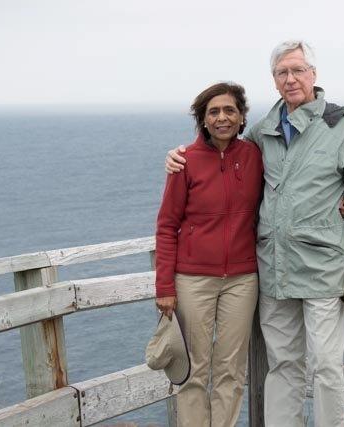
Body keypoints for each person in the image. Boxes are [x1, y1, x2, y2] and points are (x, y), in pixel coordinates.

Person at [165, 40, 344, 426]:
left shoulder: (342, 128)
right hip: (273, 270)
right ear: (274, 80)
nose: (291, 79)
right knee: (282, 365)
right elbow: (224, 155)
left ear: (314, 75)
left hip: (321, 269)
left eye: (298, 70)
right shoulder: (261, 132)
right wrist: (179, 155)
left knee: (325, 366)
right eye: (282, 72)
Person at [154, 82, 263, 427]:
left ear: (242, 116)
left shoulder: (254, 156)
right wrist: (165, 287)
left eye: (229, 110)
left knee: (231, 370)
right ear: (202, 119)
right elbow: (167, 225)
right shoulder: (184, 161)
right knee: (193, 369)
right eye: (213, 112)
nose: (222, 118)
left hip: (243, 280)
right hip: (192, 280)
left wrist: (343, 201)